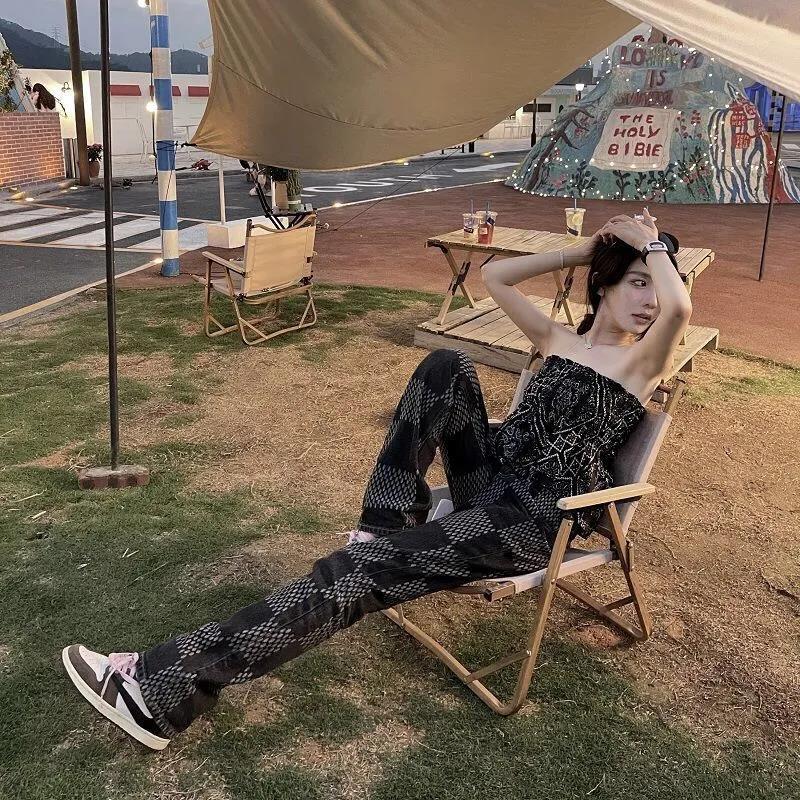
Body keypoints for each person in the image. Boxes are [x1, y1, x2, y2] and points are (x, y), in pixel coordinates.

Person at [62, 209, 691, 751]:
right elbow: (495, 275)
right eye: (638, 282)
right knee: (447, 364)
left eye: (655, 285)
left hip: (530, 518)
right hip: (490, 480)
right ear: (605, 283)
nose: (652, 300)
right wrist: (583, 251)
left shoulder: (641, 362)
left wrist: (652, 246)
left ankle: (160, 691)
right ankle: (383, 523)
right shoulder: (557, 338)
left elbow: (681, 308)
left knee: (353, 574)